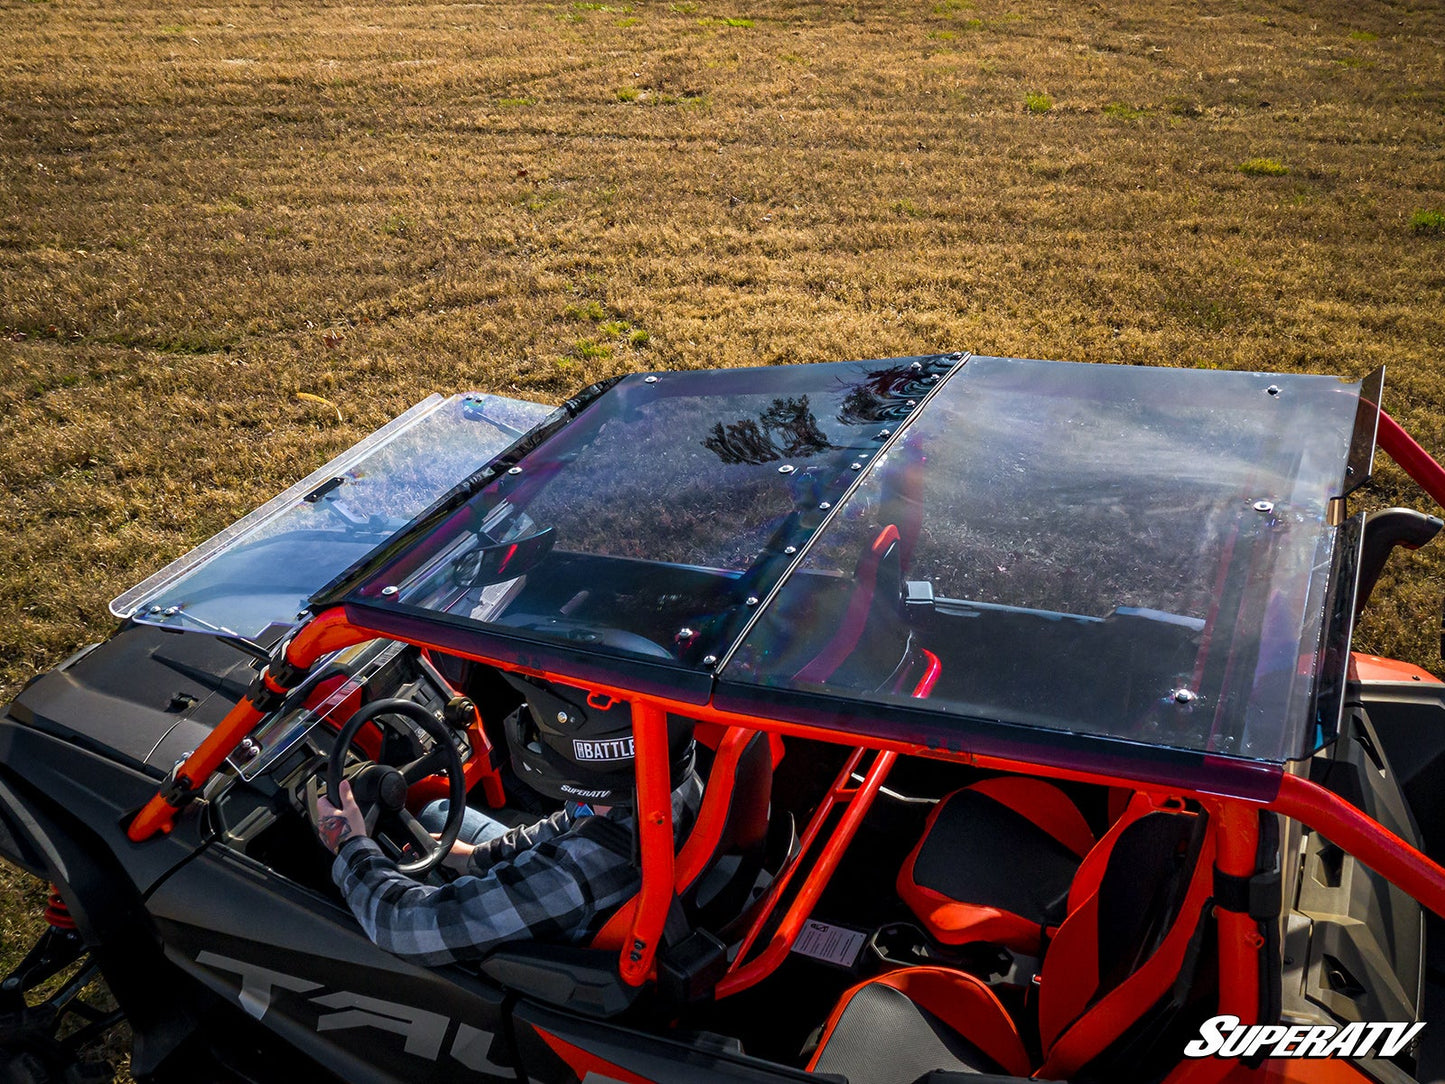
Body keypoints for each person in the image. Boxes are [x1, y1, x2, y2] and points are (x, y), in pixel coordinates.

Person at [316, 680, 700, 967]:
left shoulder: (569, 877)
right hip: (612, 893)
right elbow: (577, 820)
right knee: (436, 814)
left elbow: (403, 926)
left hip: (551, 945)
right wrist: (471, 858)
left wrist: (350, 845)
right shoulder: (661, 776)